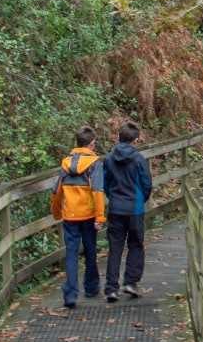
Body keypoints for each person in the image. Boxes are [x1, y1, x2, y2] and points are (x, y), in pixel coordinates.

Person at [50, 126, 106, 308]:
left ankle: (71, 293)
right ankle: (91, 286)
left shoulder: (65, 164)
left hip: (70, 215)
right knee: (90, 251)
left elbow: (56, 191)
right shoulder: (95, 164)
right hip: (88, 215)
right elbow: (97, 191)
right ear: (92, 143)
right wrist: (100, 218)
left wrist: (57, 212)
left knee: (71, 253)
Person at [103, 121, 153, 300]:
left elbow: (106, 183)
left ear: (119, 138)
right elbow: (147, 184)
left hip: (116, 208)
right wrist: (141, 199)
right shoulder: (138, 159)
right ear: (136, 140)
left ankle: (111, 288)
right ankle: (131, 282)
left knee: (115, 247)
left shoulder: (109, 158)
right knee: (136, 245)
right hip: (134, 208)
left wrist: (114, 198)